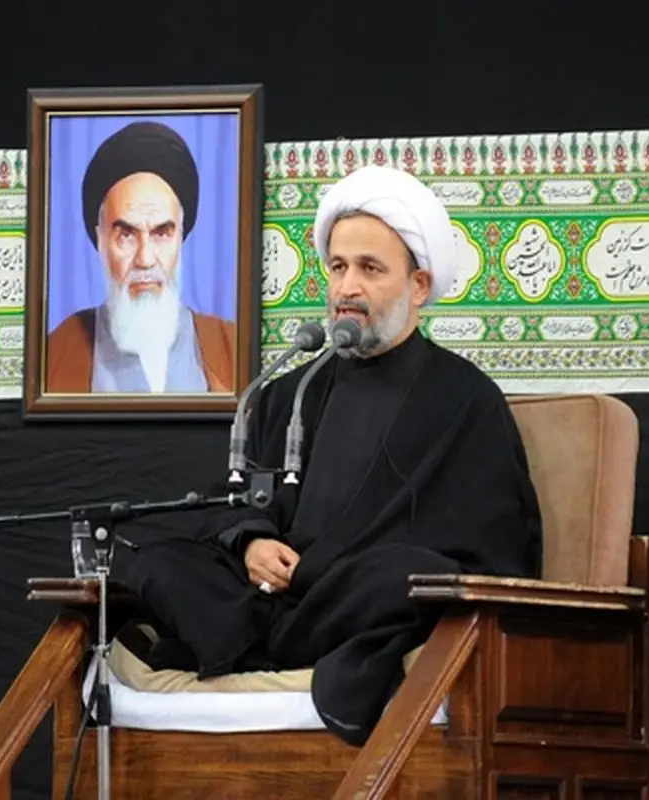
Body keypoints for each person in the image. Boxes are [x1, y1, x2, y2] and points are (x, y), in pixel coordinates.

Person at [122, 164, 542, 747]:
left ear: (419, 286)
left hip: (351, 596)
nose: (347, 288)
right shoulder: (290, 393)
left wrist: (337, 566)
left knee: (398, 579)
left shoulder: (464, 399)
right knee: (157, 560)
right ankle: (267, 640)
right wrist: (252, 544)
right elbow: (239, 497)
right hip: (274, 598)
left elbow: (488, 544)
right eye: (338, 267)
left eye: (370, 269)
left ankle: (253, 646)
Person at [46, 120, 236, 394]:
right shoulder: (57, 353)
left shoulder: (231, 347)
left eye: (162, 233)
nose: (145, 259)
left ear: (181, 236)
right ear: (100, 239)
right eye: (126, 235)